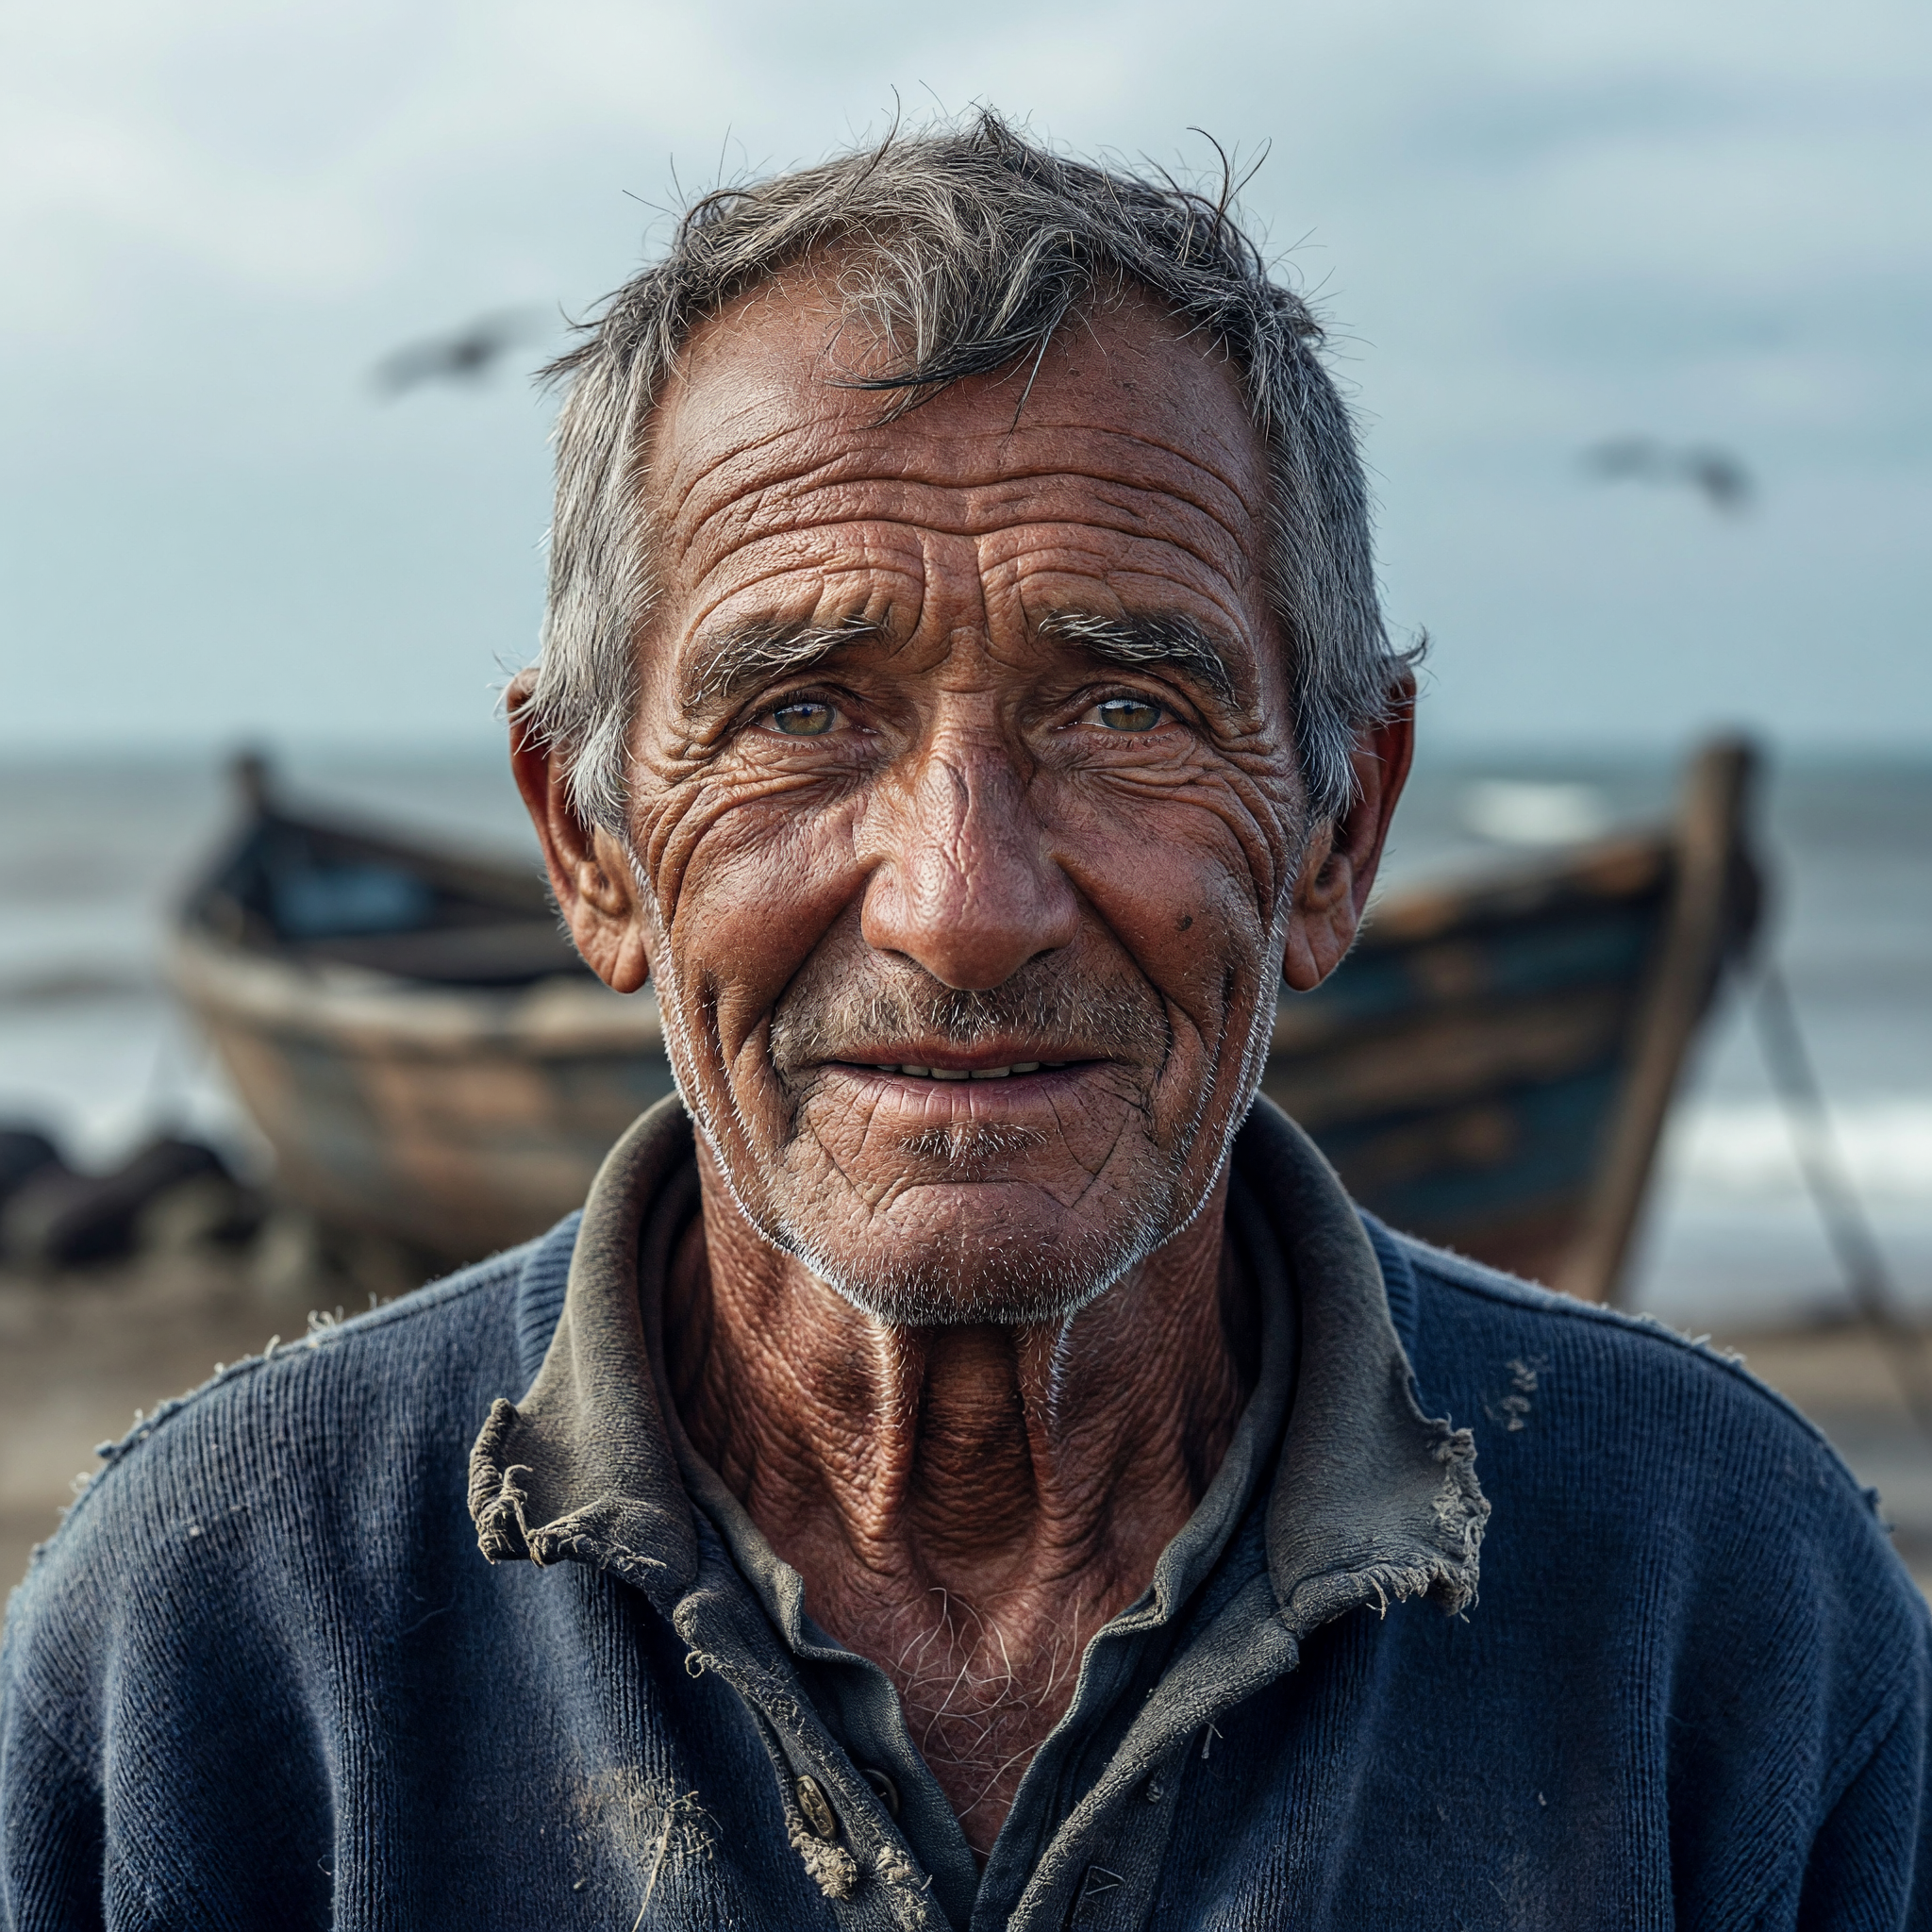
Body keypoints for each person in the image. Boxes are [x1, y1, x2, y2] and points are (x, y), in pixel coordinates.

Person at [4, 112, 1926, 1931]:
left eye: (1126, 708)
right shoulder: (216, 1626)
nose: (963, 903)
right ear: (588, 843)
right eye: (798, 712)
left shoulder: (1732, 1593)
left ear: (1340, 828)